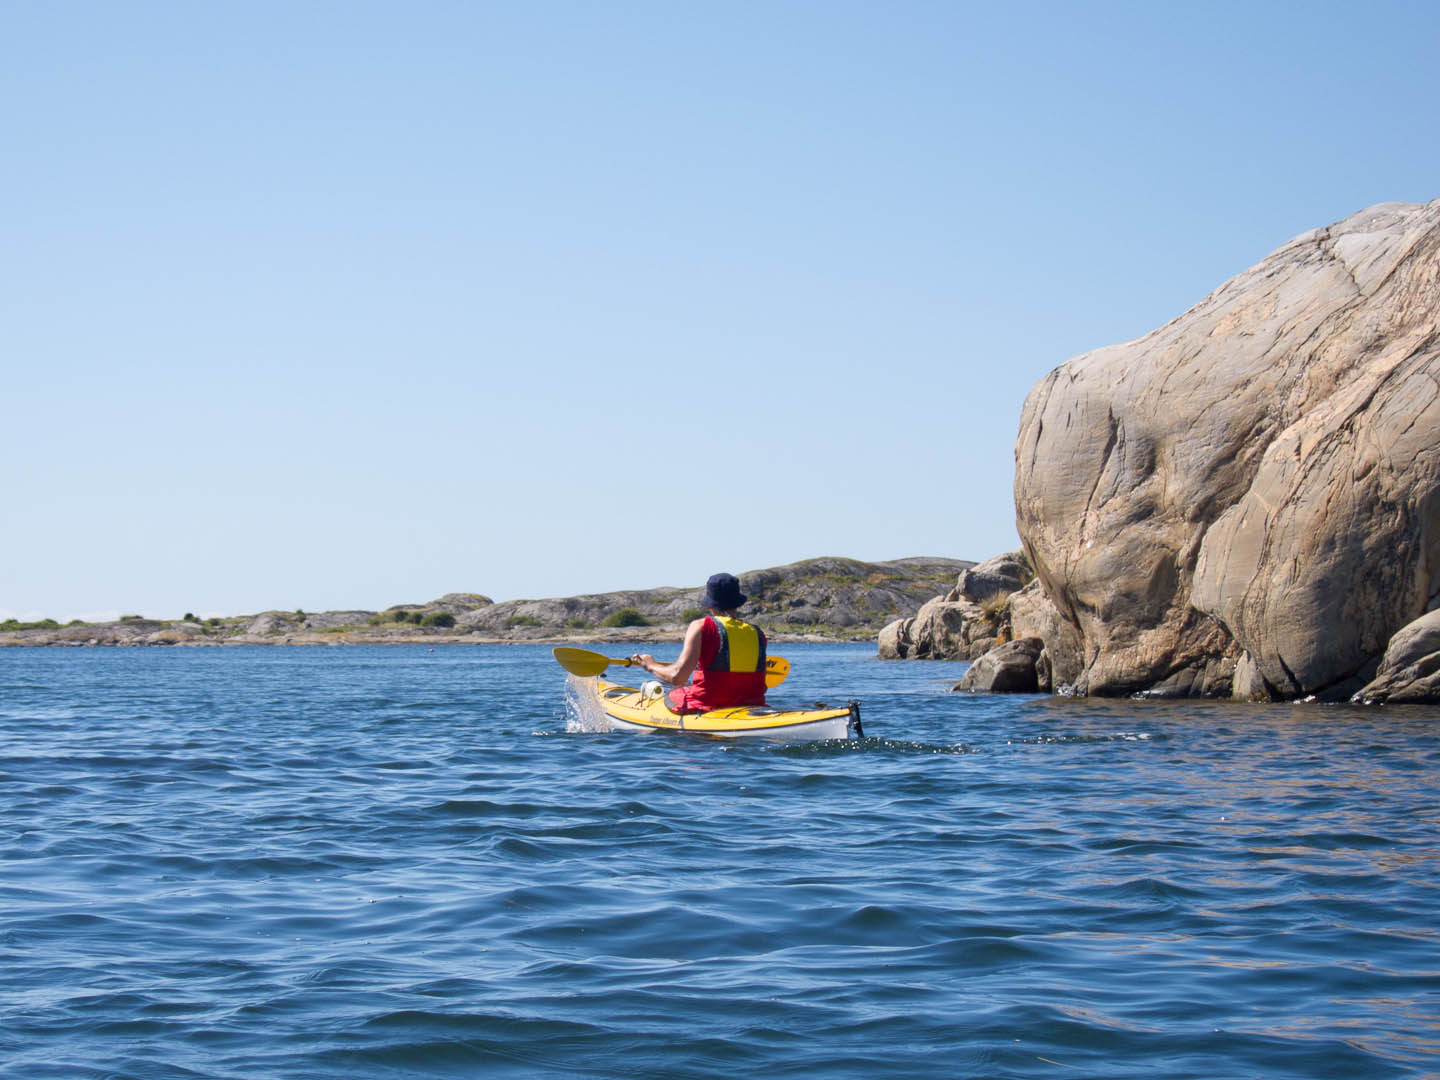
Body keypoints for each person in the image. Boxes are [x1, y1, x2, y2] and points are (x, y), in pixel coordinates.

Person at [631, 572, 768, 714]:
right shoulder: (758, 633)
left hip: (708, 704)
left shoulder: (702, 626)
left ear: (710, 605)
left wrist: (650, 665)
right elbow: (760, 683)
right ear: (738, 603)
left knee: (673, 693)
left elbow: (677, 677)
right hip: (753, 704)